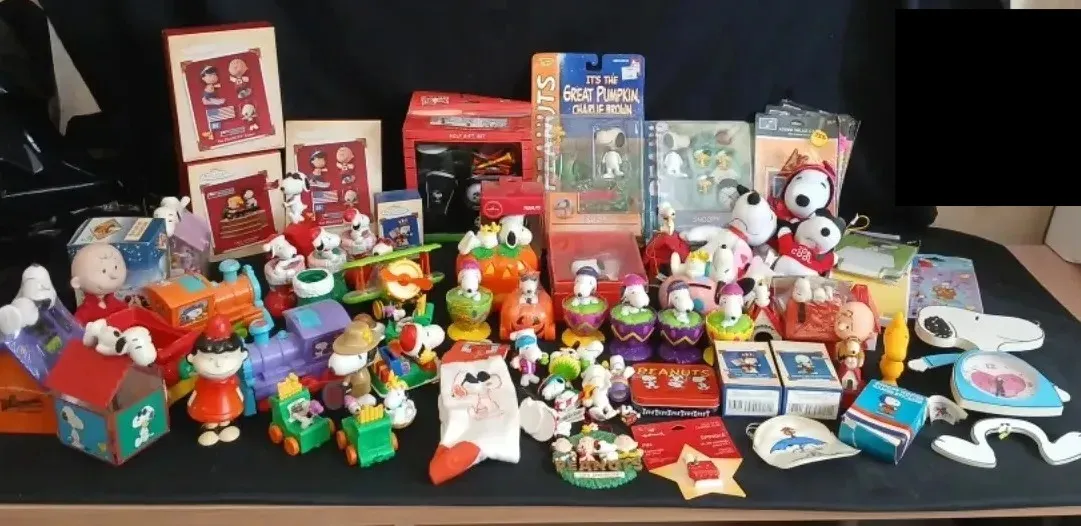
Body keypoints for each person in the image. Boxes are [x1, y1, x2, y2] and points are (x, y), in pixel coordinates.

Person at [186, 316, 248, 447]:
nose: (219, 364)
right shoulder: (202, 382)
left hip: (228, 402)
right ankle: (209, 429)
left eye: (227, 357)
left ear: (243, 355)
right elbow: (196, 391)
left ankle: (226, 425)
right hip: (206, 404)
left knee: (226, 418)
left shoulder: (232, 380)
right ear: (191, 358)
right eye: (210, 359)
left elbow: (237, 388)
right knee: (210, 421)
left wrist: (240, 397)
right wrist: (191, 403)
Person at [70, 244, 128, 324]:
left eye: (115, 267)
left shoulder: (117, 304)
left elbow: (128, 314)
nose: (114, 275)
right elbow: (77, 326)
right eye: (103, 271)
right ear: (77, 282)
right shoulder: (85, 312)